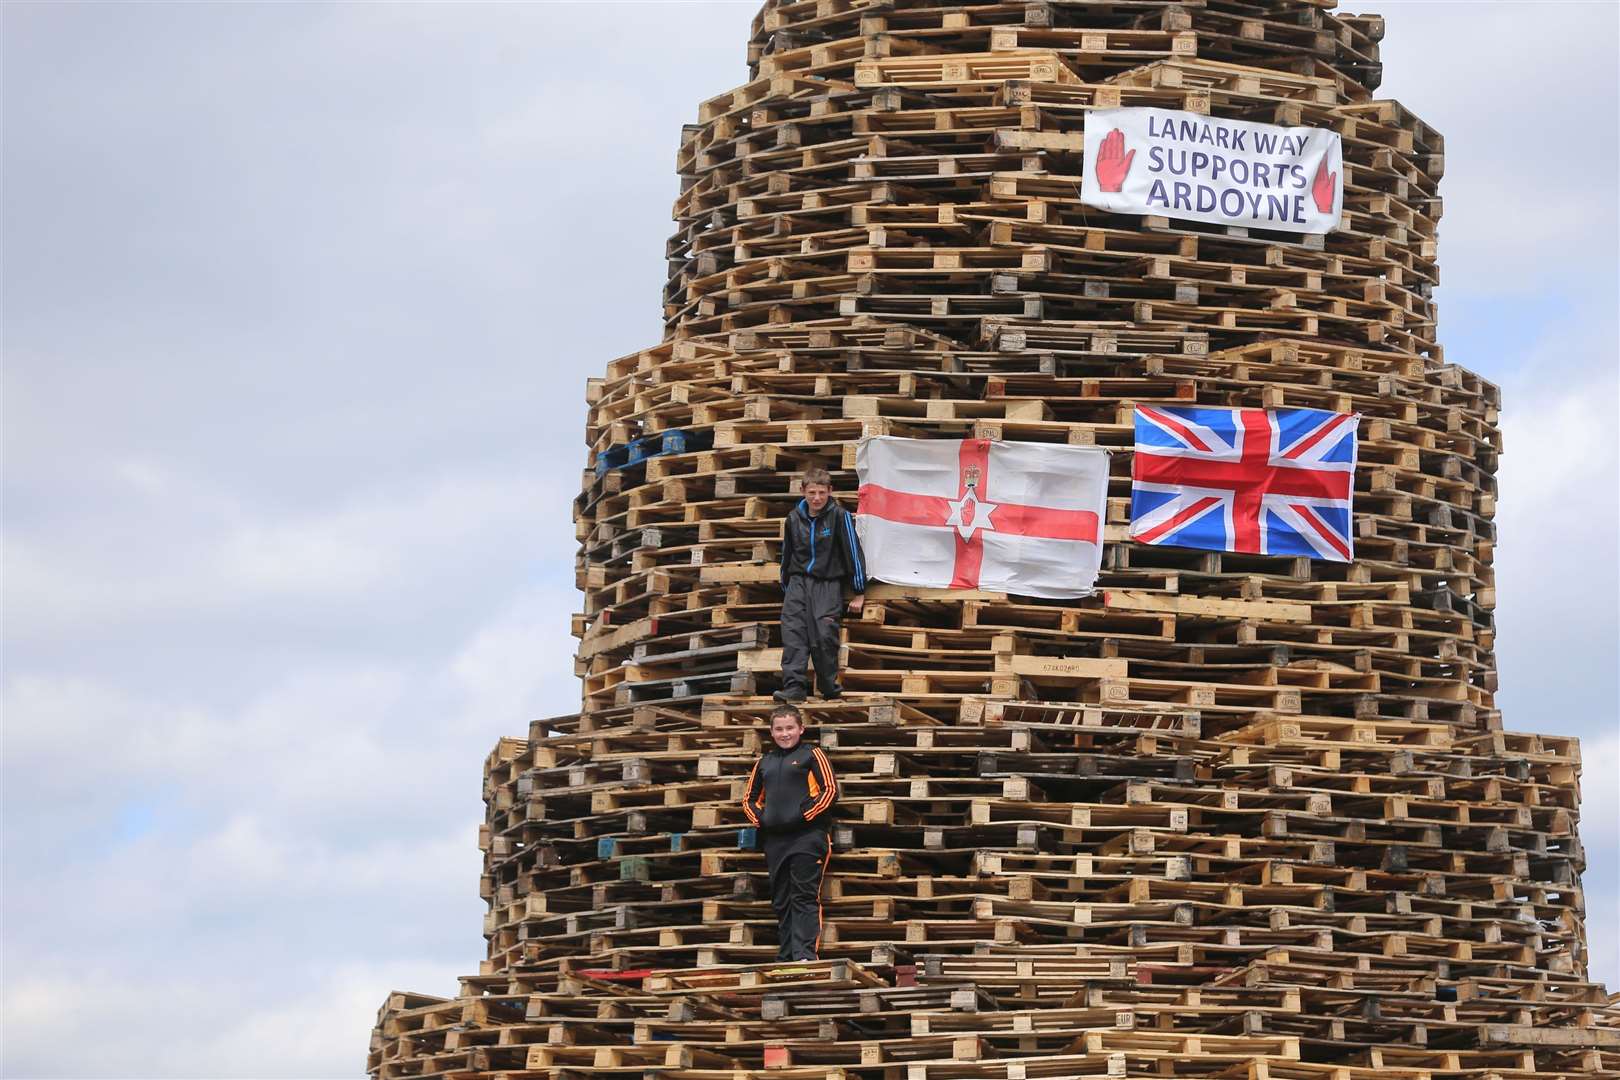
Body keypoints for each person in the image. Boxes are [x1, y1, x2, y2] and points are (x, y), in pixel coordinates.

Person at [741, 704, 839, 962]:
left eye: (790, 728)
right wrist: (761, 819)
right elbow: (749, 799)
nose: (785, 734)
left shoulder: (812, 754)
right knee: (782, 899)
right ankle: (785, 956)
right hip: (775, 841)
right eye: (779, 729)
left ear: (801, 729)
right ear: (771, 732)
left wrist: (804, 815)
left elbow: (830, 791)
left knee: (804, 895)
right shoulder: (765, 762)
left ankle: (804, 955)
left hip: (808, 837)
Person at [776, 465, 867, 703]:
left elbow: (853, 553)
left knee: (824, 635)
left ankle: (828, 686)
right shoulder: (793, 518)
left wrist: (859, 591)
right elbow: (787, 555)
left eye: (822, 493)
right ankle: (794, 687)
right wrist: (787, 585)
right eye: (812, 493)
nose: (817, 498)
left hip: (827, 584)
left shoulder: (839, 516)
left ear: (830, 491)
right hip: (798, 584)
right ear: (803, 491)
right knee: (793, 634)